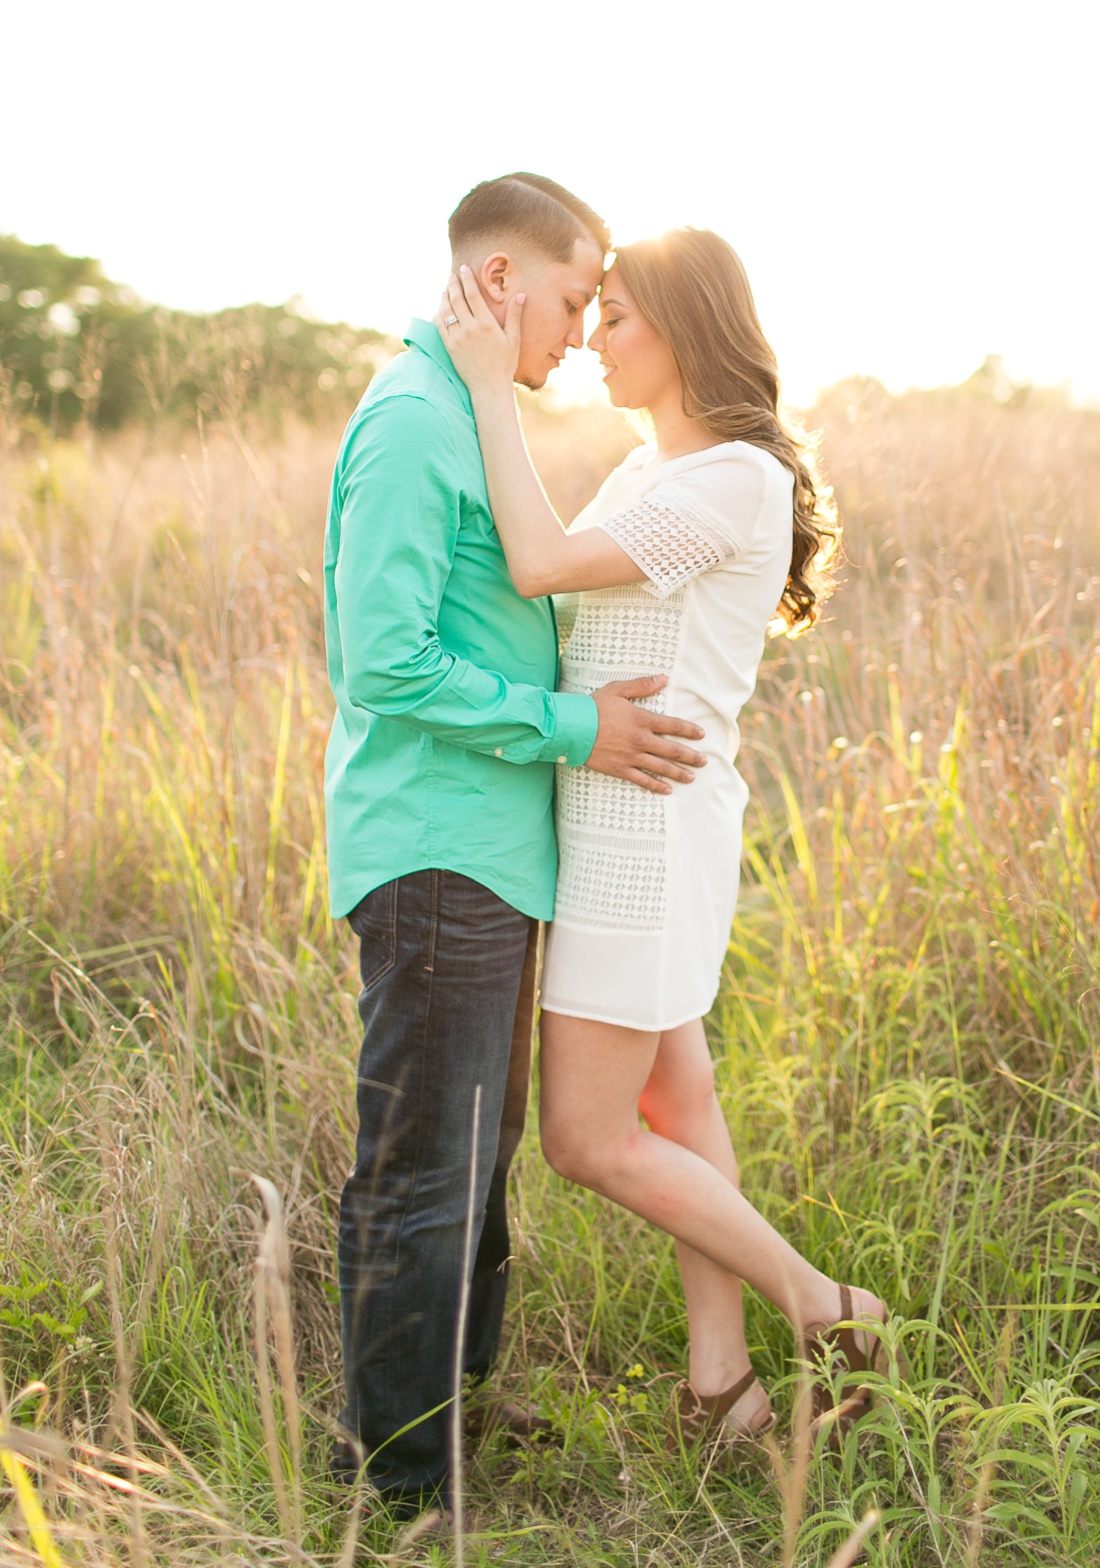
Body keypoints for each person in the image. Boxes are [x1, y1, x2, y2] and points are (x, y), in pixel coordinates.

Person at [436, 227, 887, 1449]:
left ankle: (824, 1301)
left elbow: (538, 565)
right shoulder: (653, 469)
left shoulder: (729, 477)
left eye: (617, 315)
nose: (590, 337)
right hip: (621, 812)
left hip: (646, 828)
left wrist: (485, 385)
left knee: (587, 1136)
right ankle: (722, 1382)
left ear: (685, 332)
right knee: (679, 1101)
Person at [322, 175, 710, 1517]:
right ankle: (399, 1488)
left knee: (467, 1167)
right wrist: (572, 725)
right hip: (438, 850)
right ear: (499, 283)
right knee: (425, 1172)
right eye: (566, 296)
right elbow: (382, 664)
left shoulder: (466, 415)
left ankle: (450, 1422)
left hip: (487, 847)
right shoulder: (418, 423)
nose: (579, 327)